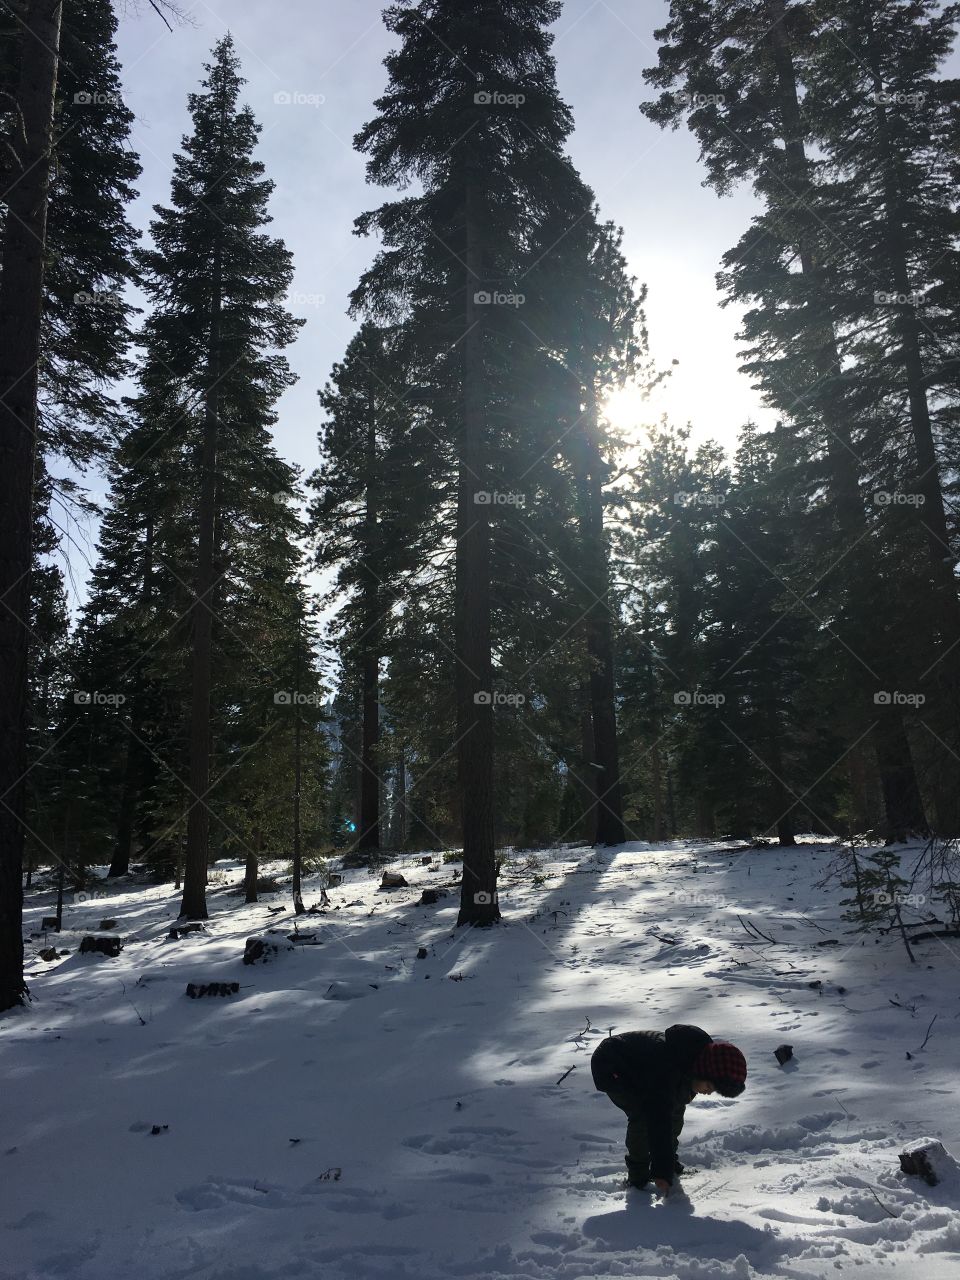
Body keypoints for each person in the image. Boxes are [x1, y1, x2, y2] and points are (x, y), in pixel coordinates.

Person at [590, 1023, 747, 1195]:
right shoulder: (667, 1069)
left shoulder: (691, 1064)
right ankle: (638, 1178)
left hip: (645, 1071)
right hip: (612, 1067)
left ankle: (670, 1163)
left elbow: (671, 1115)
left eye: (715, 1089)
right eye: (709, 1085)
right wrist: (661, 1172)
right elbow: (659, 1121)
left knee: (675, 1110)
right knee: (643, 1117)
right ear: (701, 1071)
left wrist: (667, 1164)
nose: (709, 1092)